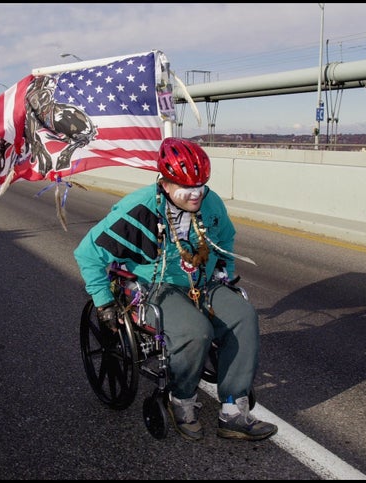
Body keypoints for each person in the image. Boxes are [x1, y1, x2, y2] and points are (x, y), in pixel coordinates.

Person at [73, 137, 277, 442]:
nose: (196, 195)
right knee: (196, 332)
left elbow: (227, 237)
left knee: (244, 316)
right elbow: (87, 252)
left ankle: (234, 411)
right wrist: (104, 303)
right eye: (187, 188)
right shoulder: (138, 208)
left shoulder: (211, 202)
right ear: (166, 184)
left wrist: (224, 273)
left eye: (201, 187)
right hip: (155, 286)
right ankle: (181, 400)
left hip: (203, 283)